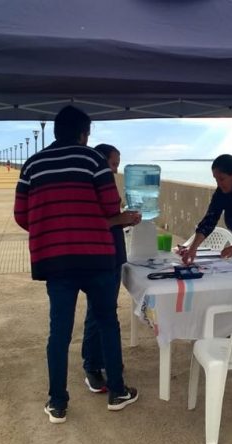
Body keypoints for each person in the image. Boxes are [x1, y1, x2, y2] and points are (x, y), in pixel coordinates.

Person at [14, 106, 139, 424]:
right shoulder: (93, 161)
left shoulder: (32, 164)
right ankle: (117, 392)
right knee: (107, 323)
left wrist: (53, 229)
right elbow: (111, 206)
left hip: (55, 261)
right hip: (96, 257)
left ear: (56, 131)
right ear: (84, 133)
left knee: (59, 332)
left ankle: (57, 403)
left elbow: (21, 214)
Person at [81, 144, 141, 394]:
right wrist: (122, 219)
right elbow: (92, 223)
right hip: (101, 257)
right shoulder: (92, 185)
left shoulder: (102, 184)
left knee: (102, 311)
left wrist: (123, 218)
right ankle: (93, 366)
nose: (116, 169)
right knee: (99, 313)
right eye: (114, 164)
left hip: (112, 255)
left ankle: (102, 360)